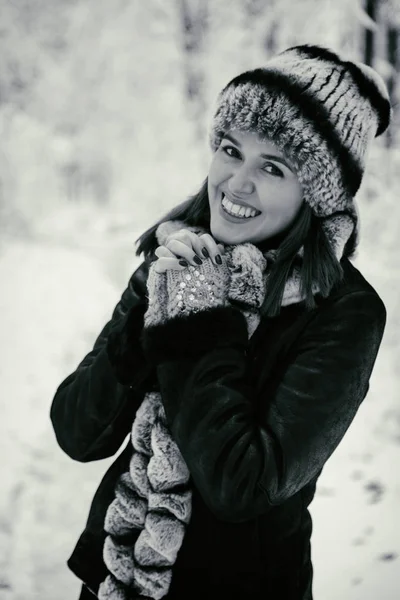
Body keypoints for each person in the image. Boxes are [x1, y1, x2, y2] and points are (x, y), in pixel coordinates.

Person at [50, 44, 391, 600]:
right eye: (231, 150)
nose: (236, 183)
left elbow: (244, 486)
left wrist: (196, 325)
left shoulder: (343, 312)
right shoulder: (175, 257)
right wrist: (149, 319)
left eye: (274, 167)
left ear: (317, 194)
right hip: (118, 578)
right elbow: (77, 432)